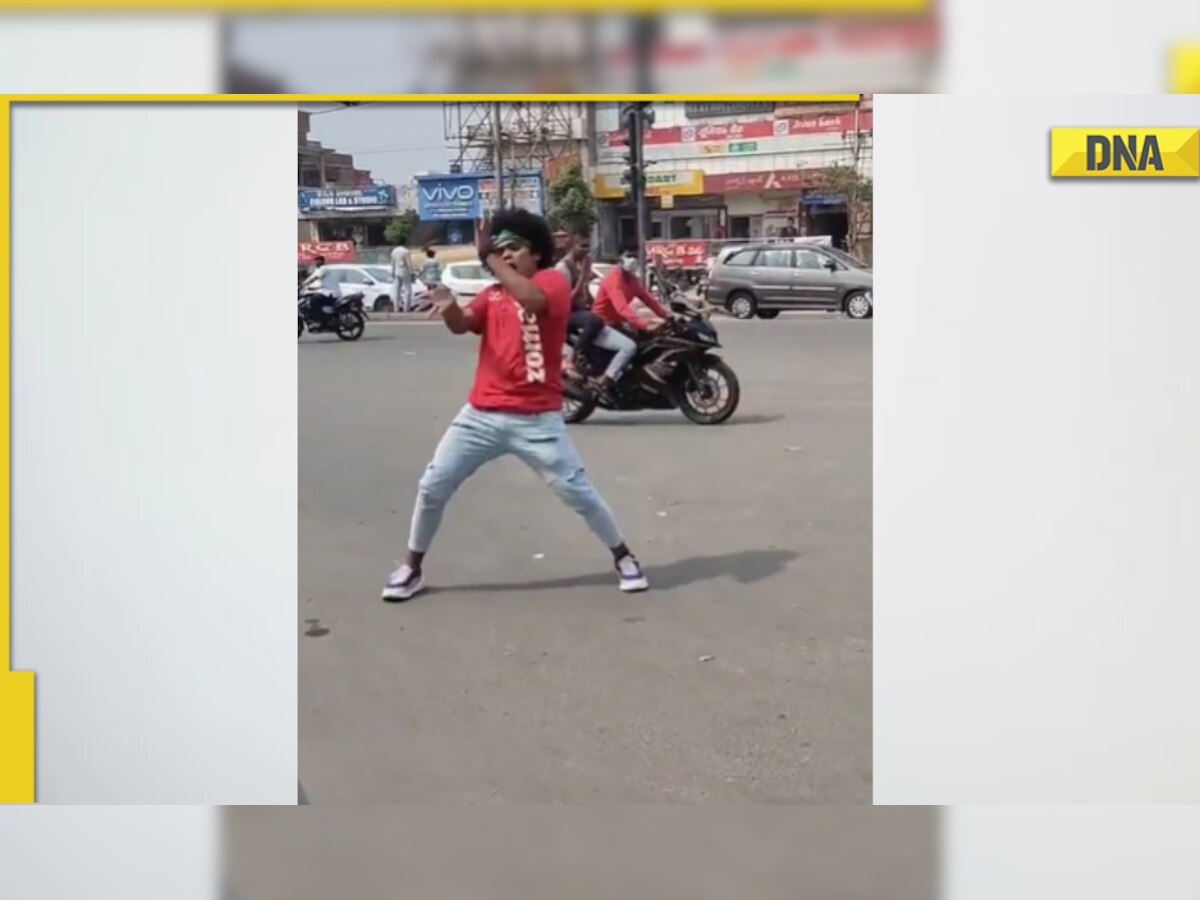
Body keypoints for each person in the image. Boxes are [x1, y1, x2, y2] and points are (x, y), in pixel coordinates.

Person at [382, 210, 650, 602]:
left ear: (536, 254)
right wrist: (450, 306)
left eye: (514, 249)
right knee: (432, 487)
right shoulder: (492, 296)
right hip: (479, 417)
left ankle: (624, 557)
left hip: (537, 421)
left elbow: (533, 299)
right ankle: (411, 567)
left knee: (580, 494)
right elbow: (462, 325)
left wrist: (487, 254)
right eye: (500, 250)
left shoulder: (551, 283)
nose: (505, 256)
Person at [593, 252, 675, 384]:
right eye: (629, 257)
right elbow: (622, 307)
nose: (632, 260)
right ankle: (606, 379)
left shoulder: (632, 280)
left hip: (617, 323)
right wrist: (643, 324)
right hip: (602, 324)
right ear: (620, 261)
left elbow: (648, 299)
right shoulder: (614, 278)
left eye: (634, 256)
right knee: (630, 347)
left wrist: (666, 315)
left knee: (647, 342)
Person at [390, 242, 414, 313]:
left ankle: (396, 307)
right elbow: (408, 263)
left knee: (397, 290)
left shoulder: (394, 251)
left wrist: (392, 272)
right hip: (405, 272)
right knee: (407, 290)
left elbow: (392, 263)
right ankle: (406, 308)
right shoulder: (405, 251)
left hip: (396, 272)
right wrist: (411, 273)